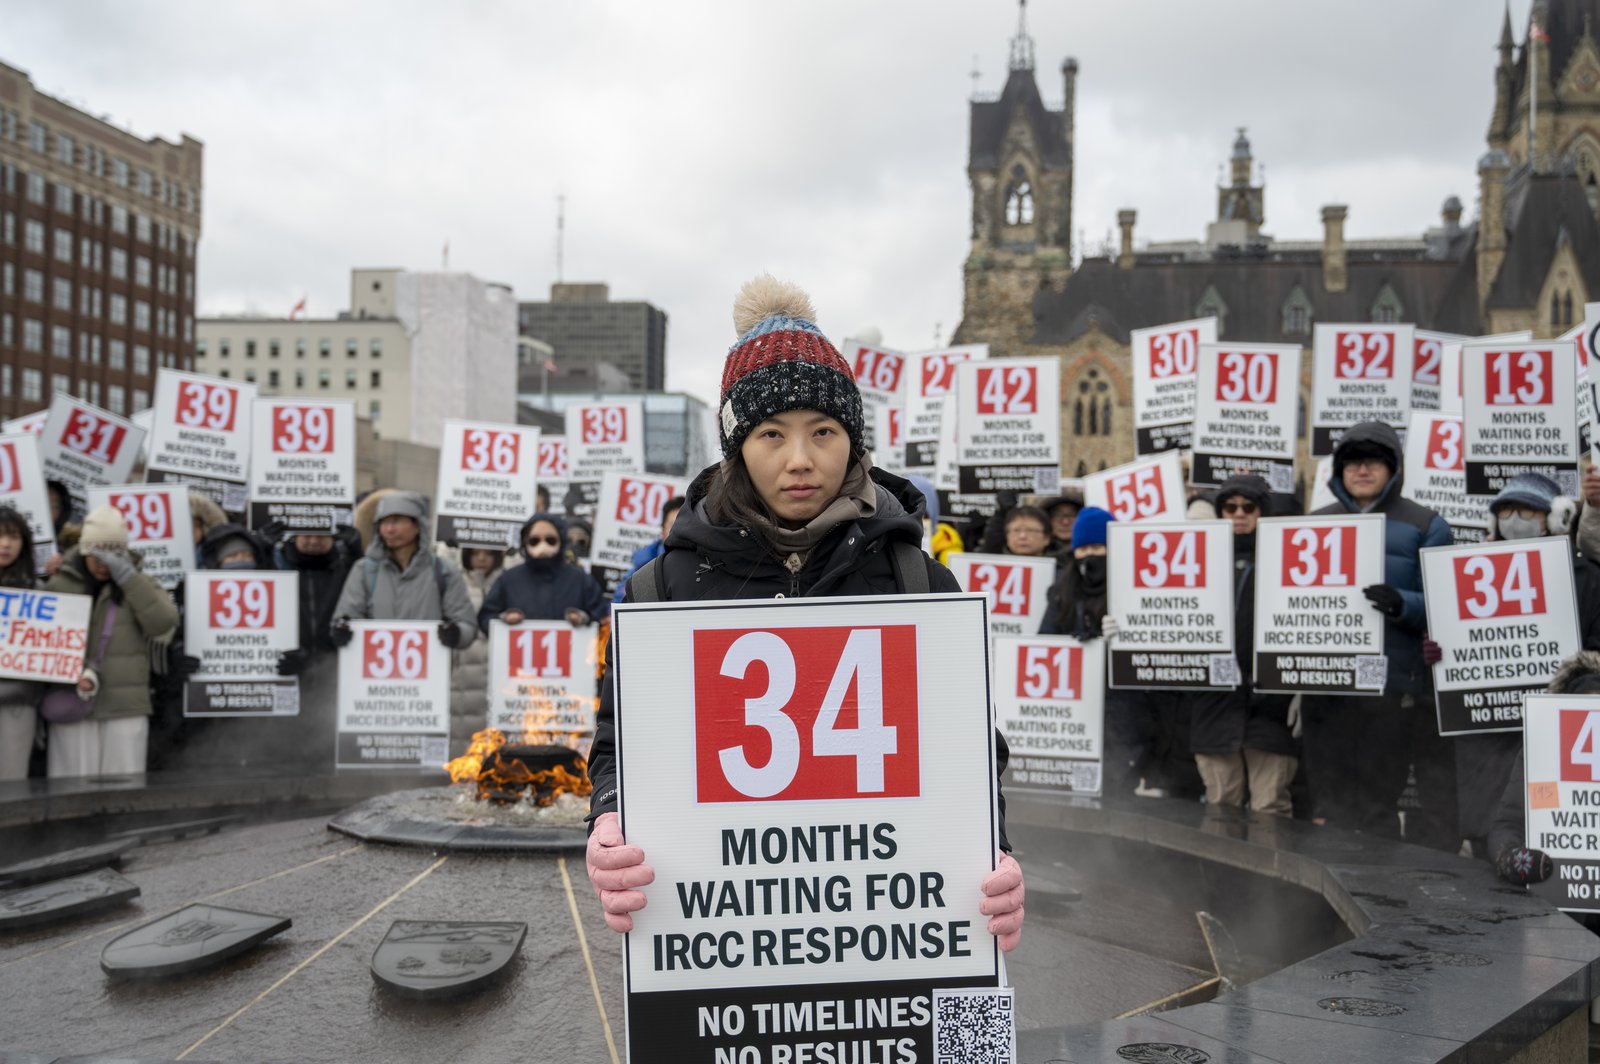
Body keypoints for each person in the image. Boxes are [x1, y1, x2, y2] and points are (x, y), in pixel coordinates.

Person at [584, 276, 1024, 951]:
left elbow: (968, 748)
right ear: (737, 447)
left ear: (853, 439)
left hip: (886, 941)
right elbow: (620, 742)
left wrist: (992, 849)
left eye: (823, 431)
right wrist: (611, 819)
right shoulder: (661, 590)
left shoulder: (918, 581)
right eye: (771, 434)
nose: (800, 460)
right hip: (723, 948)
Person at [1300, 421, 1455, 845]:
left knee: (1376, 809)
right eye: (1351, 462)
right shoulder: (1311, 524)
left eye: (1373, 461)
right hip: (1325, 690)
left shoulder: (1426, 525)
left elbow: (1448, 606)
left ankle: (1377, 887)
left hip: (1389, 689)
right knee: (1327, 809)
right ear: (1339, 471)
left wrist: (1403, 604)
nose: (1362, 470)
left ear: (1393, 468)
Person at [1438, 473, 1585, 856]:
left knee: (1544, 829)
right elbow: (1453, 640)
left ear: (1553, 518)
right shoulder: (1463, 571)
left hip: (1551, 728)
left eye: (1527, 511)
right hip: (1484, 728)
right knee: (1487, 838)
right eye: (1505, 511)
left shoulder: (1584, 575)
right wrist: (1438, 654)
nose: (1514, 520)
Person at [1188, 475, 1298, 814]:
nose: (1238, 514)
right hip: (1214, 706)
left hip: (1271, 706)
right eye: (1229, 507)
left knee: (1271, 809)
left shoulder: (1289, 562)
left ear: (1263, 513)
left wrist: (1303, 688)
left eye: (1248, 507)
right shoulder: (1195, 562)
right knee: (1220, 808)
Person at [44, 505, 179, 777]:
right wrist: (75, 672)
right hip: (73, 699)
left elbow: (164, 622)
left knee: (123, 786)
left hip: (125, 707)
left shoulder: (140, 583)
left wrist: (130, 580)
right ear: (84, 550)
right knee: (69, 786)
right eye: (97, 555)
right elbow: (42, 642)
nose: (103, 564)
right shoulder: (61, 584)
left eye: (114, 555)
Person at [332, 491, 478, 653]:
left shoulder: (444, 570)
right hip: (375, 665)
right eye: (384, 522)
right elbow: (346, 617)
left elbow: (466, 624)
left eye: (397, 521)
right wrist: (342, 630)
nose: (389, 529)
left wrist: (456, 634)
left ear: (417, 526)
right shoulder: (364, 570)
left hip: (429, 665)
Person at [0, 507, 41, 781]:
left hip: (18, 704)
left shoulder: (39, 593)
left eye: (13, 537)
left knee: (11, 785)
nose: (5, 544)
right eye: (0, 536)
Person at [612, 497, 685, 604]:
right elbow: (619, 602)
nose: (679, 531)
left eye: (683, 525)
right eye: (673, 525)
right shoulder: (643, 564)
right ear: (663, 529)